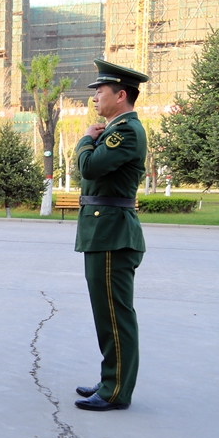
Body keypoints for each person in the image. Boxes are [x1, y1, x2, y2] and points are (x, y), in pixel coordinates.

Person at [73, 59, 149, 412]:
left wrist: (85, 141)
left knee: (116, 316)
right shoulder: (116, 129)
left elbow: (88, 168)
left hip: (112, 233)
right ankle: (110, 380)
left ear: (120, 95)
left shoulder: (126, 131)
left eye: (100, 91)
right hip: (104, 230)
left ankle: (116, 389)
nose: (95, 98)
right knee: (107, 314)